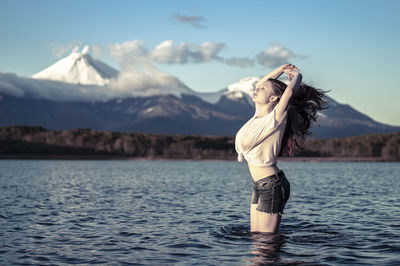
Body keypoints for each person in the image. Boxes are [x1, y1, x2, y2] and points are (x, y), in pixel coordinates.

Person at [235, 63, 328, 233]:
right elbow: (261, 82)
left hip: (273, 185)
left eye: (263, 89)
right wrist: (279, 70)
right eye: (259, 87)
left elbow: (289, 92)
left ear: (273, 99)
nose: (257, 89)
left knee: (267, 242)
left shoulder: (276, 118)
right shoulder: (258, 114)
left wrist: (297, 77)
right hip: (260, 184)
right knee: (257, 238)